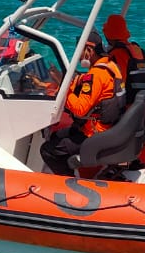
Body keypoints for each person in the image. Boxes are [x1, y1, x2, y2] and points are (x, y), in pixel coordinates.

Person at [39, 32, 125, 176]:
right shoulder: (110, 66)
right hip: (107, 128)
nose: (78, 57)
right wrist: (65, 80)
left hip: (94, 133)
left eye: (79, 52)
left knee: (47, 150)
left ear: (89, 51)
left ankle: (68, 182)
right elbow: (85, 81)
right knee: (56, 136)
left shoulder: (96, 75)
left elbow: (79, 110)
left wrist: (64, 88)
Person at [102, 13, 145, 97]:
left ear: (108, 35)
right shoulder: (139, 50)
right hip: (142, 102)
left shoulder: (115, 54)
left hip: (126, 104)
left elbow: (117, 82)